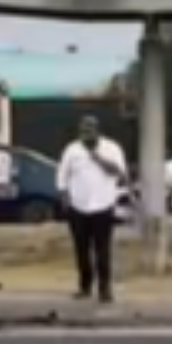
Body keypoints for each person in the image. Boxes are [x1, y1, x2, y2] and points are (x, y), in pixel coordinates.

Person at [57, 116, 128, 303]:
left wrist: (98, 158)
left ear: (98, 131)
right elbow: (62, 176)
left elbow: (120, 173)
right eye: (83, 132)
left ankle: (105, 289)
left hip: (103, 206)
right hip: (78, 207)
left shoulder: (112, 148)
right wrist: (65, 200)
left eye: (90, 131)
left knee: (102, 250)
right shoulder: (72, 150)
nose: (86, 136)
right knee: (81, 250)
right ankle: (84, 286)